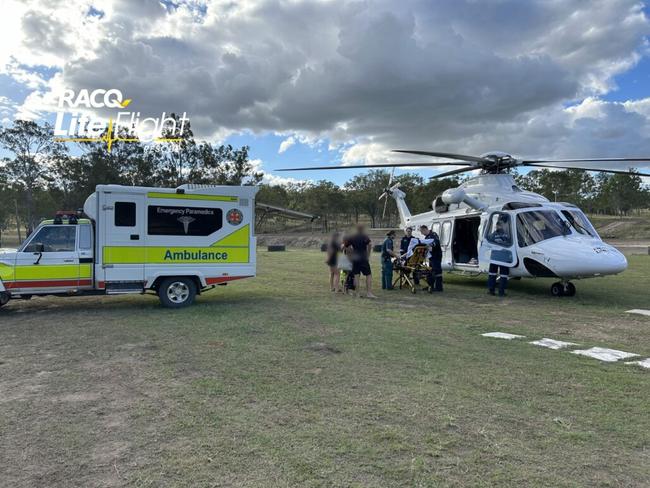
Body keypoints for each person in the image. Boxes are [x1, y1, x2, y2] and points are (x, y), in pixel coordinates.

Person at [344, 224, 376, 298]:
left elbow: (345, 246)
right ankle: (369, 293)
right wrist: (368, 255)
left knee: (356, 275)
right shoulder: (364, 236)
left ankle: (357, 293)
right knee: (368, 275)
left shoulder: (352, 236)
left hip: (355, 258)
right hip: (363, 258)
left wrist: (350, 254)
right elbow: (370, 244)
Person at [487, 217, 511, 297]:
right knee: (503, 275)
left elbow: (488, 241)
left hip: (494, 257)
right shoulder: (507, 235)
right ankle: (501, 292)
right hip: (504, 257)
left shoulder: (493, 235)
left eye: (497, 226)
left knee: (492, 274)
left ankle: (491, 290)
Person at [417, 224, 443, 293]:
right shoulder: (427, 237)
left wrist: (431, 246)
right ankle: (430, 286)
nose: (422, 234)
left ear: (424, 229)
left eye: (422, 232)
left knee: (437, 271)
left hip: (436, 256)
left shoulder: (433, 234)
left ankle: (439, 288)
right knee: (431, 271)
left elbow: (436, 242)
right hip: (431, 257)